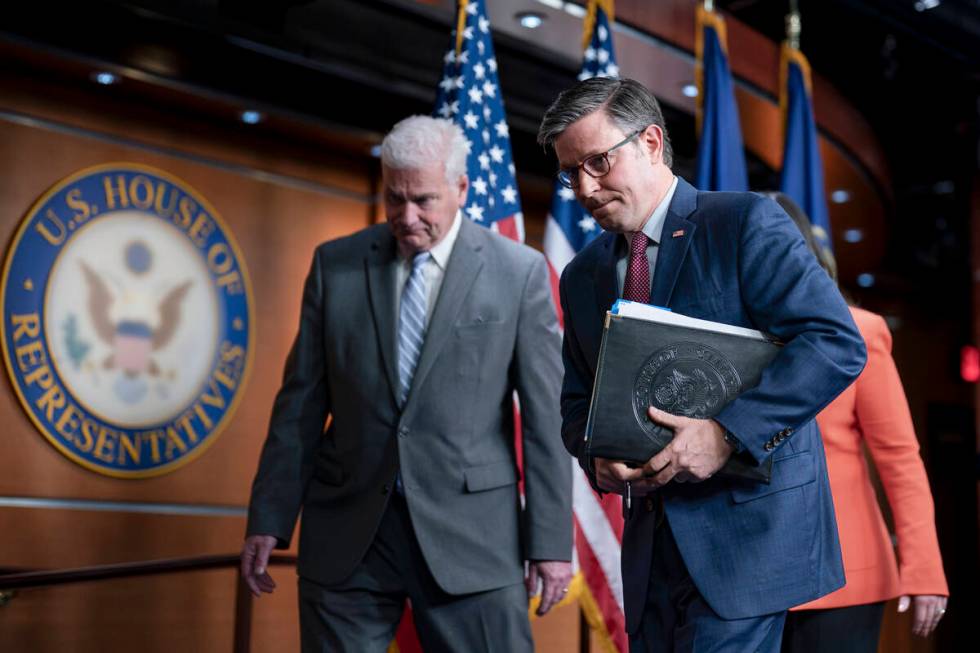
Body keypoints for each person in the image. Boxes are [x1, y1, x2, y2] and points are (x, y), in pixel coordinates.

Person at [537, 77, 867, 653]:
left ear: (651, 143)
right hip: (649, 553)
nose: (584, 189)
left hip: (747, 540)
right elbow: (574, 402)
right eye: (571, 173)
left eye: (597, 162)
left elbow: (834, 341)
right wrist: (598, 455)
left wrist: (726, 435)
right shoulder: (582, 274)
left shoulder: (743, 224)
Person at [240, 115, 573, 653]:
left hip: (473, 538)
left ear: (461, 189)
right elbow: (299, 405)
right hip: (350, 533)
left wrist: (551, 543)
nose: (406, 216)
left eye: (423, 200)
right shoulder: (335, 265)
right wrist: (269, 518)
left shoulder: (519, 272)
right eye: (394, 198)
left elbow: (543, 421)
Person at [767, 192, 949, 653]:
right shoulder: (722, 335)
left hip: (845, 573)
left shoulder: (858, 330)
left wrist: (923, 567)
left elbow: (899, 457)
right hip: (746, 577)